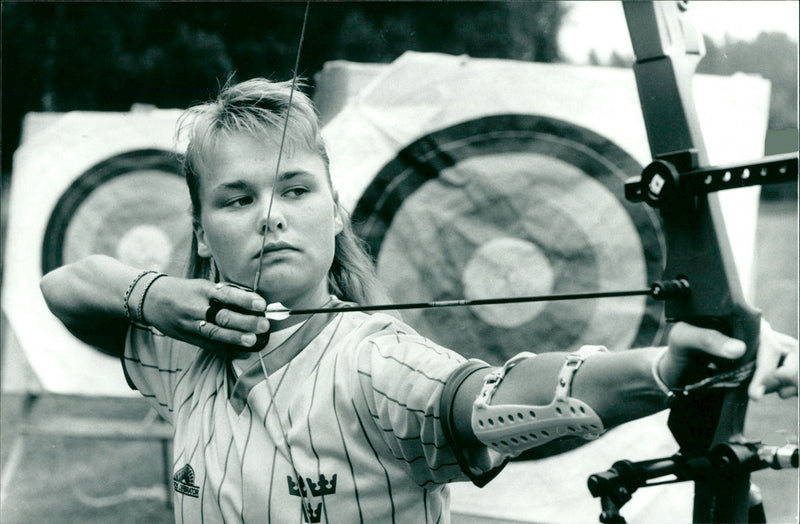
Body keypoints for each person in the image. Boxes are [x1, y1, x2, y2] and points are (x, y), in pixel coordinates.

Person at [40, 77, 798, 524]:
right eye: (236, 199)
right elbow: (64, 289)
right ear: (202, 231)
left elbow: (493, 401)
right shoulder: (182, 348)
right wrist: (154, 294)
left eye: (296, 190)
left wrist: (663, 368)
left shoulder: (375, 362)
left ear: (335, 212)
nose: (271, 214)